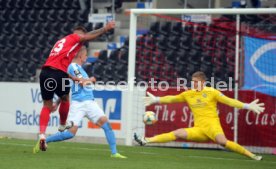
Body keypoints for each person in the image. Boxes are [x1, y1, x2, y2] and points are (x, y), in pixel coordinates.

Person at [134, 71, 265, 161]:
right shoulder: (188, 94)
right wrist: (156, 99)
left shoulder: (212, 92)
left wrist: (247, 106)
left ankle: (252, 155)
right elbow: (172, 99)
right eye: (192, 81)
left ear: (203, 82)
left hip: (213, 126)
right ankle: (146, 140)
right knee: (178, 133)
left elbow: (230, 101)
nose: (193, 84)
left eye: (196, 82)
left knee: (222, 142)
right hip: (199, 129)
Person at [35, 21, 116, 152]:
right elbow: (85, 37)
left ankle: (42, 134)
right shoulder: (74, 38)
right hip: (61, 77)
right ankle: (62, 125)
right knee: (66, 98)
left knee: (47, 105)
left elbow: (65, 71)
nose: (82, 43)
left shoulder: (60, 43)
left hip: (45, 73)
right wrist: (105, 29)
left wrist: (74, 79)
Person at [34, 47, 127, 158]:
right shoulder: (73, 67)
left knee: (107, 125)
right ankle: (45, 140)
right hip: (79, 104)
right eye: (86, 55)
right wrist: (92, 79)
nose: (87, 57)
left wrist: (58, 102)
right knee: (69, 134)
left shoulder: (79, 68)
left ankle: (114, 153)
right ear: (80, 56)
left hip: (90, 103)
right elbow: (82, 83)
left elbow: (65, 91)